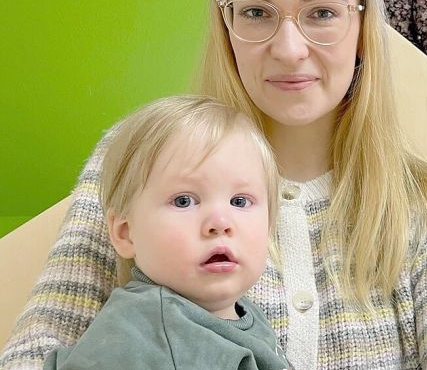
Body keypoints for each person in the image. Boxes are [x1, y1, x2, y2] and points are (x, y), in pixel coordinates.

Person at [1, 0, 427, 370]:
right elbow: (37, 349)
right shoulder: (143, 156)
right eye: (254, 11)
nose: (289, 49)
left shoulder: (424, 205)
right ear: (225, 22)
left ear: (362, 25)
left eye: (322, 13)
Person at [43, 95, 289, 370]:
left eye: (240, 201)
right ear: (126, 233)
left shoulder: (245, 314)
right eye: (184, 201)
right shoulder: (138, 328)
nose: (220, 222)